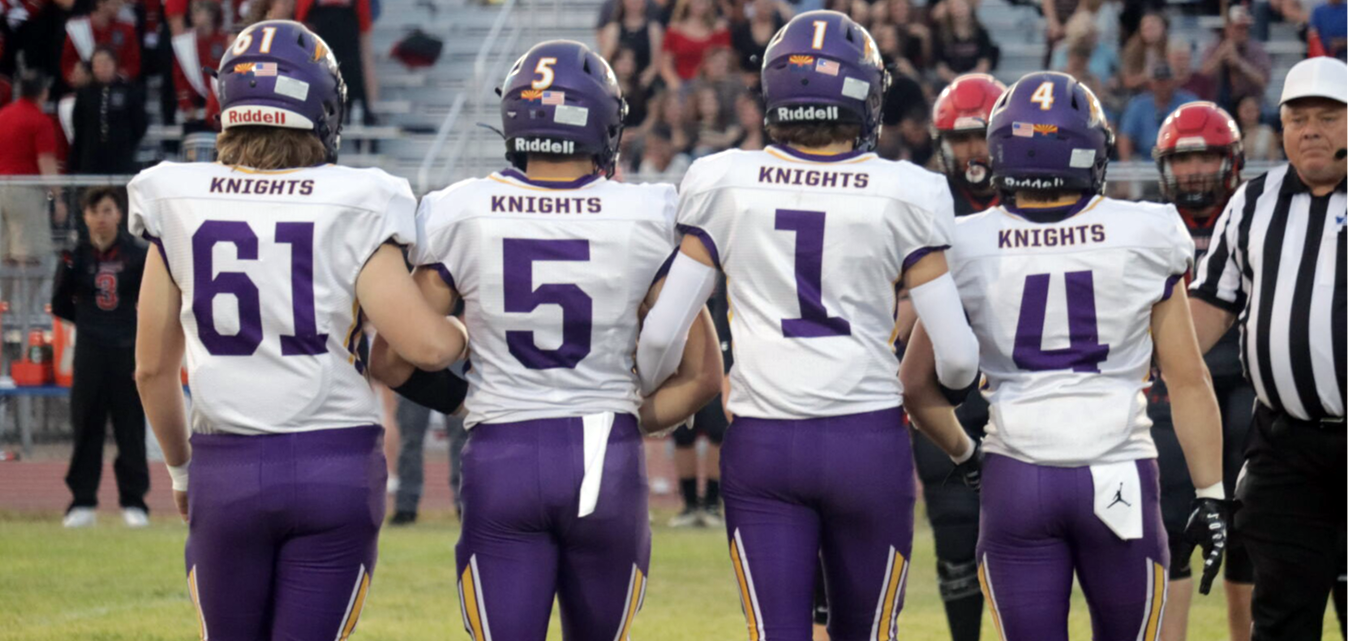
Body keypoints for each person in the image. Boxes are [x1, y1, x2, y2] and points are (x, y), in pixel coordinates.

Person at [636, 11, 982, 639]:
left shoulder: (723, 179)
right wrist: (954, 408)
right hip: (867, 444)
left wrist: (657, 398)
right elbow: (955, 355)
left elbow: (661, 334)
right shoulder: (907, 190)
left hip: (764, 444)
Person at [370, 40, 722, 640]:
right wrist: (630, 417)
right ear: (603, 123)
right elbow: (704, 376)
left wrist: (462, 398)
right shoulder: (645, 214)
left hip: (502, 455)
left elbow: (390, 359)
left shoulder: (462, 209)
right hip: (604, 457)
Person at [130, 20, 467, 639]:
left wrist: (181, 471)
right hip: (330, 466)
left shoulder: (178, 195)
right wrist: (465, 333)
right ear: (322, 107)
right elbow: (422, 345)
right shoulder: (359, 198)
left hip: (225, 466)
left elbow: (151, 368)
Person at [900, 71, 1229, 641]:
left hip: (1017, 476)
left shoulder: (964, 242)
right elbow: (1188, 378)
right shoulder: (1145, 230)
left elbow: (916, 387)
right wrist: (1211, 495)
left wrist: (967, 455)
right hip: (1118, 469)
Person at [1188, 55, 1347, 641]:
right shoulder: (1254, 202)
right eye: (1297, 117)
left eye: (1328, 117)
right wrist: (1135, 366)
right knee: (1279, 618)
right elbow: (1208, 306)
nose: (1310, 130)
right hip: (1287, 449)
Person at [1150, 100, 1257, 641]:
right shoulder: (1150, 224)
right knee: (1170, 528)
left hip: (1245, 386)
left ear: (1231, 161)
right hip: (1172, 389)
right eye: (1183, 160)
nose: (1193, 171)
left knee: (1248, 533)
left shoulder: (1255, 218)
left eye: (1205, 158)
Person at [908, 72, 1004, 641]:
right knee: (953, 535)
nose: (973, 151)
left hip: (1017, 380)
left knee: (1030, 532)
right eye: (961, 138)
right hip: (944, 384)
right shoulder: (922, 202)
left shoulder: (1033, 192)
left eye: (981, 135)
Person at [55, 187, 149, 529]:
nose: (102, 218)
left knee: (130, 428)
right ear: (85, 216)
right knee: (86, 426)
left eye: (108, 210)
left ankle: (134, 502)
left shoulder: (137, 254)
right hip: (90, 352)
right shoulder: (74, 255)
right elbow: (60, 301)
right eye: (95, 212)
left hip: (127, 351)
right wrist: (91, 323)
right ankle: (82, 502)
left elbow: (151, 300)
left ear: (119, 214)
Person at [667, 273, 730, 528]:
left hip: (720, 332)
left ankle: (713, 503)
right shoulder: (678, 240)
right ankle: (691, 504)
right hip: (682, 335)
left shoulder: (728, 237)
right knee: (681, 430)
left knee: (718, 427)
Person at [70, 46, 147, 174]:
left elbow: (140, 123)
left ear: (114, 65)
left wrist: (125, 142)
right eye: (98, 63)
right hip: (92, 157)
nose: (102, 67)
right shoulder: (85, 93)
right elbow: (78, 124)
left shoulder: (128, 90)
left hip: (121, 156)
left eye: (106, 63)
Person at [1118, 62, 1198, 160]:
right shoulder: (1138, 105)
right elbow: (1125, 136)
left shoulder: (1188, 103)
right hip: (1146, 161)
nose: (1162, 86)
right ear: (1151, 84)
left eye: (1166, 81)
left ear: (1173, 82)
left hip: (1180, 159)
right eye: (1158, 82)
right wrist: (1127, 165)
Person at [1198, 6, 1271, 112]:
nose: (1243, 32)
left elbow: (1263, 80)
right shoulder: (1214, 47)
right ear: (1228, 28)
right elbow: (1203, 75)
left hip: (1251, 102)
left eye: (1245, 28)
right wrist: (1219, 57)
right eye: (1238, 28)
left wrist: (1239, 63)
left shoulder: (1256, 49)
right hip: (1219, 102)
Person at [60, 0, 141, 83]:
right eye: (115, 3)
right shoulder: (77, 28)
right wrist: (78, 75)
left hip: (116, 87)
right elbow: (68, 64)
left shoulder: (126, 29)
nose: (119, 6)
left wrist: (115, 75)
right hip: (84, 88)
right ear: (100, 3)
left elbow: (133, 64)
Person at [659, 0, 729, 91]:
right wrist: (675, 83)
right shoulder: (674, 30)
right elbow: (665, 65)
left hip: (712, 83)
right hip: (682, 83)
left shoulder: (719, 30)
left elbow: (726, 61)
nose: (699, 3)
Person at [931, 0, 995, 84]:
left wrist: (973, 77)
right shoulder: (940, 34)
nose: (959, 10)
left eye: (962, 6)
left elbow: (985, 60)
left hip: (976, 77)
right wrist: (953, 79)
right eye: (956, 7)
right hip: (950, 80)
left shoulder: (981, 32)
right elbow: (939, 64)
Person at [1236, 94, 1281, 162]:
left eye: (1253, 110)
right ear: (1238, 111)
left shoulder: (1267, 132)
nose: (1250, 114)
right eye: (1247, 110)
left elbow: (1273, 160)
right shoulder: (1233, 133)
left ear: (1258, 111)